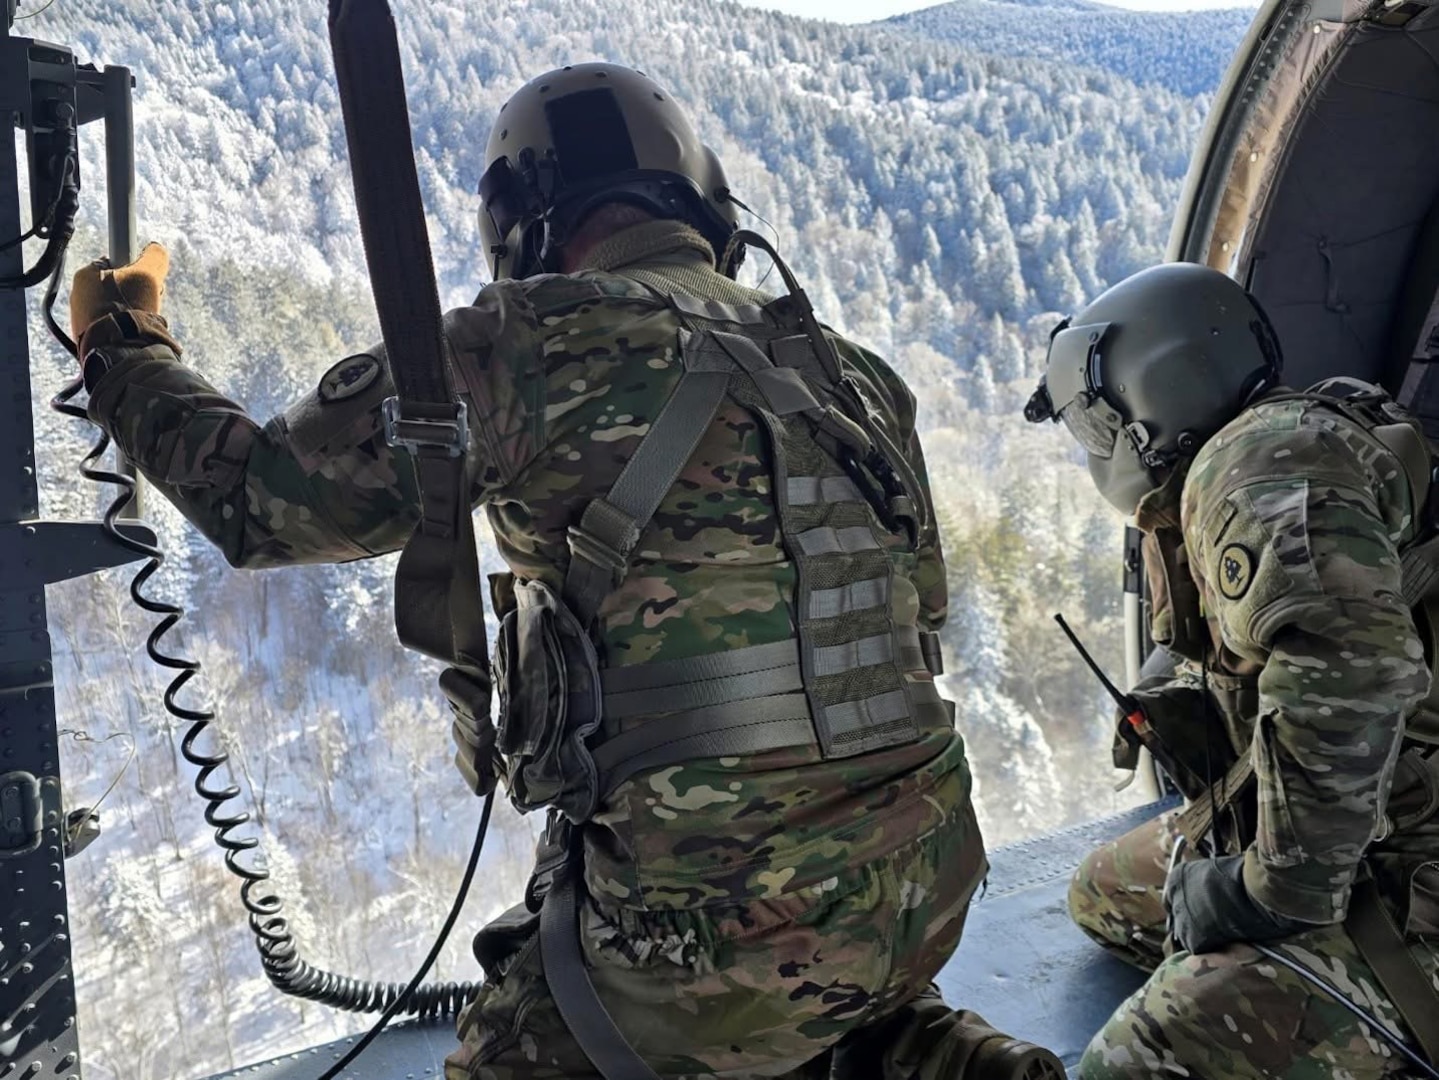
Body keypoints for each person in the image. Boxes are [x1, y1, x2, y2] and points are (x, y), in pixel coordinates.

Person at [70, 63, 1064, 1080]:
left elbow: (262, 502)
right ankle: (897, 1039)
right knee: (763, 970)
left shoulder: (522, 344)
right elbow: (920, 609)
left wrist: (124, 347)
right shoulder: (854, 373)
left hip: (703, 951)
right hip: (927, 883)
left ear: (520, 223)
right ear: (704, 203)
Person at [1025, 261, 1439, 1079]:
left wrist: (1268, 893)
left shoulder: (1252, 464)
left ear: (1145, 403)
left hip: (1407, 876)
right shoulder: (1298, 437)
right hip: (1372, 821)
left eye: (1095, 426)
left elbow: (1352, 669)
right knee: (1103, 893)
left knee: (1130, 1066)